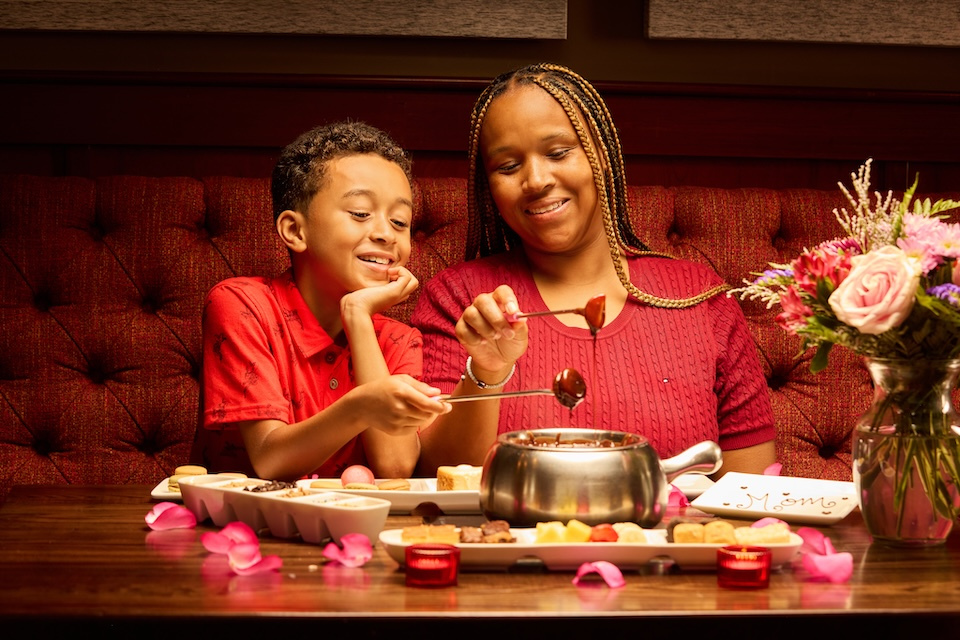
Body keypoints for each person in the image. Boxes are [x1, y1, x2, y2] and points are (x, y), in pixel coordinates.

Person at [412, 63, 776, 477]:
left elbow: (751, 496)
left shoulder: (699, 298)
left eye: (558, 152)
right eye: (508, 166)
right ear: (489, 186)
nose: (535, 180)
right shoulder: (457, 299)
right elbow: (436, 477)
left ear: (600, 154)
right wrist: (487, 371)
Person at [193, 121, 449, 481]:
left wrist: (358, 317)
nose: (385, 233)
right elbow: (270, 460)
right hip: (247, 523)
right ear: (295, 231)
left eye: (400, 220)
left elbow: (395, 467)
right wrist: (360, 408)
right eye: (360, 213)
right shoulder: (241, 305)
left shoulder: (399, 340)